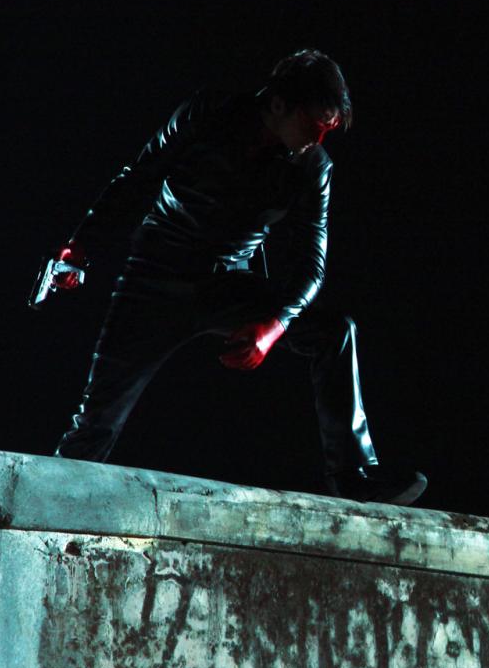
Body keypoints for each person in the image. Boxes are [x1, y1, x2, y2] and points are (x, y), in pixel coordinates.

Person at [44, 49, 426, 505]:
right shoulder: (208, 112)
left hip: (227, 286)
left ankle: (356, 476)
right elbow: (139, 176)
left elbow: (312, 265)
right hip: (154, 280)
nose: (318, 139)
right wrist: (80, 247)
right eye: (313, 125)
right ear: (279, 104)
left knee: (335, 331)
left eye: (327, 130)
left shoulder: (312, 166)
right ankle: (52, 498)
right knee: (96, 421)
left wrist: (274, 326)